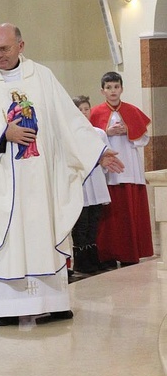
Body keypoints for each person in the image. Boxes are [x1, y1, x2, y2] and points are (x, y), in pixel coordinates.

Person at [0, 23, 124, 326]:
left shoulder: (41, 76)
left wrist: (97, 151)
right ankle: (4, 307)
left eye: (4, 48)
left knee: (41, 235)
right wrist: (4, 132)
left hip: (39, 181)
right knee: (4, 243)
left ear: (21, 45)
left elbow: (67, 120)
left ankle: (52, 302)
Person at [90, 71, 152, 267]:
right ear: (102, 91)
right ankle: (107, 254)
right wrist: (106, 132)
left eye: (116, 87)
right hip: (108, 173)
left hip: (130, 168)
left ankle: (130, 254)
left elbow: (144, 138)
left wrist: (129, 130)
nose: (113, 91)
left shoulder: (132, 110)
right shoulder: (96, 113)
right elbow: (88, 139)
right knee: (109, 217)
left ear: (122, 89)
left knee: (130, 212)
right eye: (108, 88)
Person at [71, 95, 111, 274]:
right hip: (82, 183)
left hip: (97, 182)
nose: (84, 112)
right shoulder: (70, 134)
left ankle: (93, 257)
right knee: (82, 222)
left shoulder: (99, 133)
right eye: (80, 109)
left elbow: (107, 157)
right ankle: (81, 260)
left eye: (86, 109)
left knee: (94, 221)